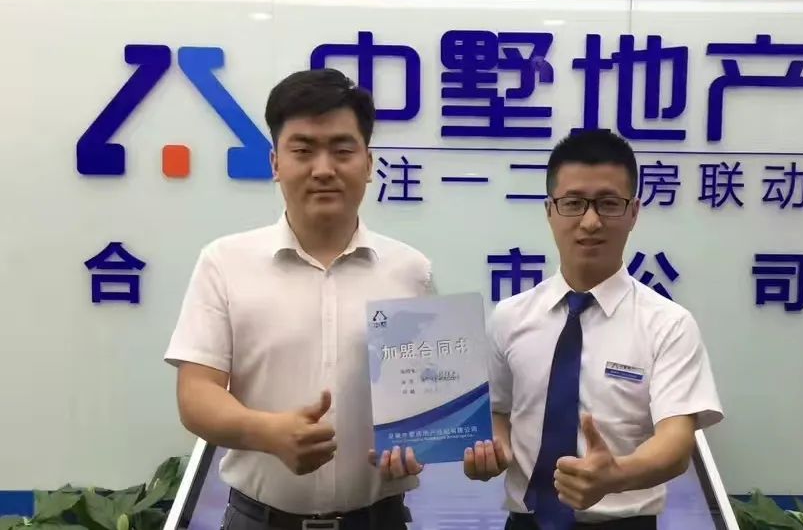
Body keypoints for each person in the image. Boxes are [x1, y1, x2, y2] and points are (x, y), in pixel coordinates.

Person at [164, 69, 432, 530]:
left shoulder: (411, 271)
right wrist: (266, 432)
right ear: (275, 163)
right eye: (303, 150)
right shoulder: (224, 263)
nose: (323, 169)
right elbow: (196, 393)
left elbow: (425, 398)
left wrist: (419, 444)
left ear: (368, 163)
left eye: (342, 150)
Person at [463, 130, 724, 530]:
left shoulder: (668, 324)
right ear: (549, 210)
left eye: (608, 203)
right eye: (573, 203)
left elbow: (677, 441)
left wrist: (616, 475)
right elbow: (498, 410)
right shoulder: (509, 317)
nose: (590, 221)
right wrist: (494, 450)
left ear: (633, 212)